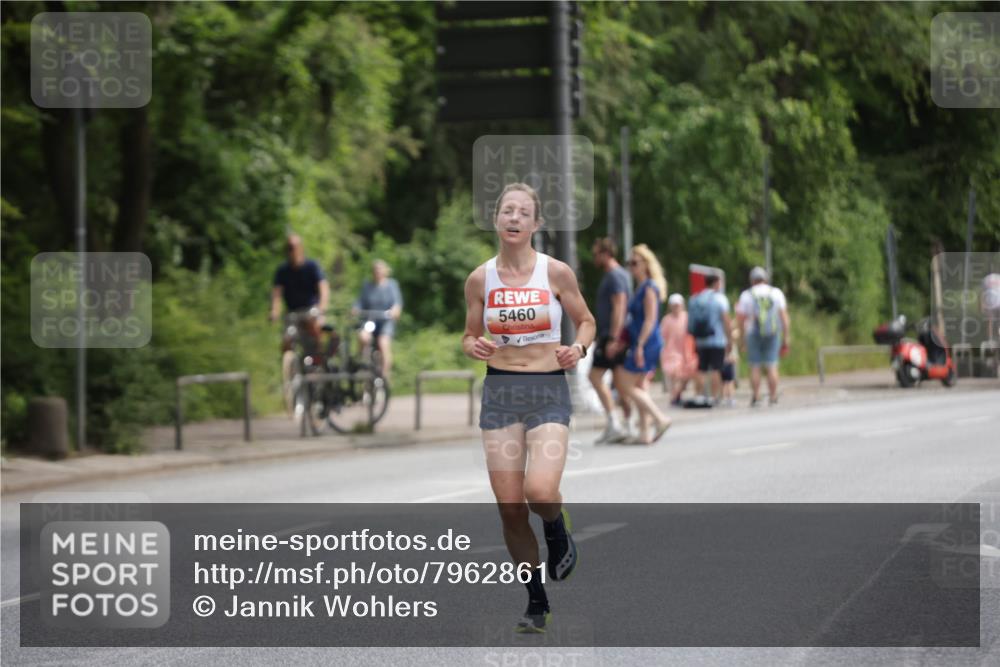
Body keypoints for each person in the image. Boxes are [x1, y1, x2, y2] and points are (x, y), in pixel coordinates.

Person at [462, 182, 595, 634]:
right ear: (496, 219)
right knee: (510, 508)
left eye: (523, 212)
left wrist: (577, 349)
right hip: (500, 392)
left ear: (536, 224)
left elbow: (587, 321)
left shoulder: (555, 273)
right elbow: (467, 333)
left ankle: (556, 526)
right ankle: (536, 599)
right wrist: (473, 346)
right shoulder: (481, 279)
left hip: (546, 391)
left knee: (539, 492)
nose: (513, 218)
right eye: (506, 211)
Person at [618, 244, 672, 444]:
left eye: (634, 263)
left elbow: (650, 319)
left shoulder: (649, 287)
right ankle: (644, 433)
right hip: (642, 340)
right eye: (629, 263)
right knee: (640, 385)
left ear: (646, 265)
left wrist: (639, 345)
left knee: (625, 384)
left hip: (647, 341)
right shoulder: (641, 287)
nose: (631, 267)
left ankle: (660, 419)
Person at [270, 234, 329, 412]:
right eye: (288, 248)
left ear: (300, 248)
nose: (291, 251)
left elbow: (323, 289)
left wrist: (321, 310)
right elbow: (277, 294)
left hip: (310, 309)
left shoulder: (311, 266)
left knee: (314, 333)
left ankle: (317, 365)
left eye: (293, 247)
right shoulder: (282, 270)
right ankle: (290, 371)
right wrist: (274, 310)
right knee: (287, 340)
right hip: (293, 312)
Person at [588, 237, 633, 443]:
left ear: (606, 254)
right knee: (620, 382)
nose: (594, 258)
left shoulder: (614, 276)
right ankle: (627, 424)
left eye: (596, 254)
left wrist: (613, 337)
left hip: (612, 335)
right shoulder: (620, 274)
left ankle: (615, 422)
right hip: (615, 335)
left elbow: (620, 305)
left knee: (595, 377)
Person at [735, 266, 790, 406]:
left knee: (755, 366)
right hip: (772, 332)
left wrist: (742, 340)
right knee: (772, 365)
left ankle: (756, 397)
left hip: (753, 333)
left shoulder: (747, 295)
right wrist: (786, 338)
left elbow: (741, 320)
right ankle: (773, 397)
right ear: (765, 279)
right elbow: (784, 318)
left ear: (752, 280)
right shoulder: (776, 293)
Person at [353, 259, 403, 379]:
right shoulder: (367, 286)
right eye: (375, 270)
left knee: (383, 343)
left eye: (380, 270)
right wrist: (355, 309)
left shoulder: (392, 285)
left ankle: (385, 377)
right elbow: (359, 302)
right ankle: (361, 363)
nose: (377, 272)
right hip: (370, 321)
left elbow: (397, 303)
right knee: (363, 337)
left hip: (386, 321)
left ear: (386, 271)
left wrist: (395, 311)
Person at [688, 273, 732, 404]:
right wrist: (729, 339)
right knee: (716, 368)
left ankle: (699, 396)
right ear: (717, 283)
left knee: (701, 368)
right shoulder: (719, 299)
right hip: (717, 339)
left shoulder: (695, 298)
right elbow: (725, 320)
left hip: (700, 339)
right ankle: (714, 397)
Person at [659, 293, 697, 405]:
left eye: (678, 305)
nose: (676, 308)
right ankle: (674, 397)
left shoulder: (687, 317)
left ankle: (676, 394)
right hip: (671, 351)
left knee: (686, 375)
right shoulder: (666, 320)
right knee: (674, 375)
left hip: (686, 351)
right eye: (674, 305)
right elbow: (662, 337)